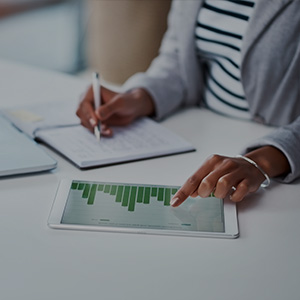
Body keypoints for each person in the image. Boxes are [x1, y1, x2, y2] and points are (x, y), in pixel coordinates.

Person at [76, 0, 300, 207]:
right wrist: (140, 96)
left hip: (279, 160)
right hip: (199, 134)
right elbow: (177, 59)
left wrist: (265, 159)